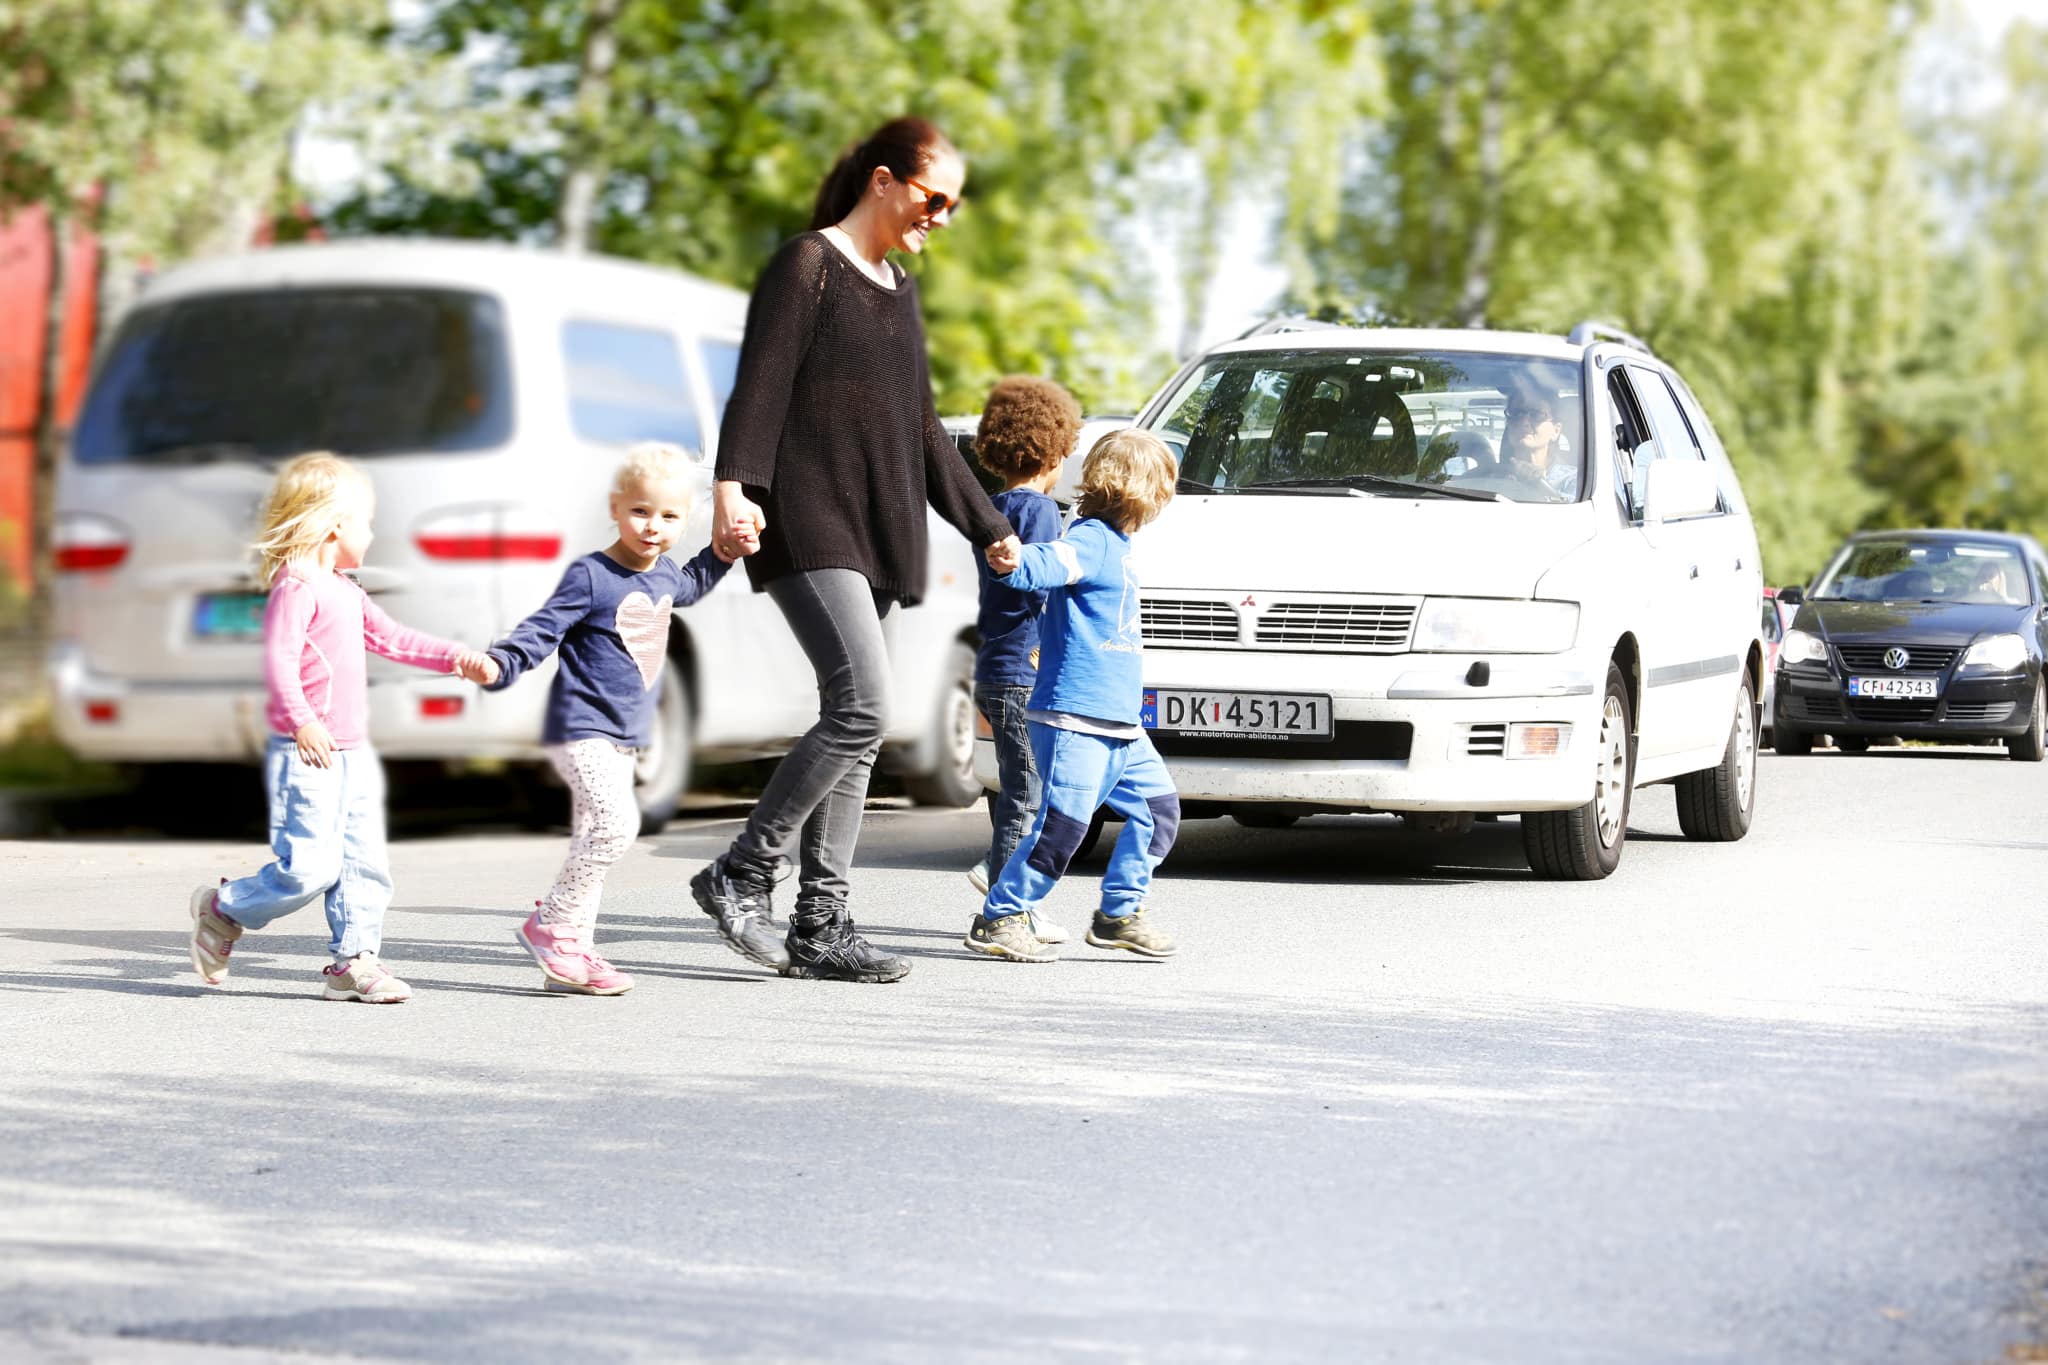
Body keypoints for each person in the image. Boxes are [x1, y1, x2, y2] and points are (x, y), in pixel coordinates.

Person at [691, 115, 1022, 983]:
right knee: (864, 706)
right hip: (808, 516)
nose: (942, 216)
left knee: (857, 729)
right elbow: (758, 385)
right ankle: (742, 872)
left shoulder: (897, 288)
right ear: (884, 180)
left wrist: (990, 526)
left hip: (874, 527)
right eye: (933, 197)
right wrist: (733, 484)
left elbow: (921, 435)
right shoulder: (810, 265)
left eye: (953, 204)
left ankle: (822, 922)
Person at [186, 453, 495, 1002]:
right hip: (306, 752)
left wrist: (456, 658)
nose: (373, 532)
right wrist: (303, 721)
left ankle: (354, 964)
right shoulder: (298, 586)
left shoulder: (346, 589)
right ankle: (223, 907)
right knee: (309, 869)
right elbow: (279, 663)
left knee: (364, 864)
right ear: (335, 523)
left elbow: (395, 640)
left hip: (354, 752)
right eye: (367, 521)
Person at [476, 443, 738, 995]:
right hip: (581, 727)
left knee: (591, 836)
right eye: (640, 511)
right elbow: (543, 629)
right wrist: (502, 661)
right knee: (618, 827)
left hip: (626, 735)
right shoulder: (591, 575)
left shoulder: (665, 575)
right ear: (616, 509)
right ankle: (550, 926)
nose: (652, 527)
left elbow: (690, 583)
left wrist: (725, 554)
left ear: (683, 521)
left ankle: (571, 958)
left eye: (668, 517)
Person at [964, 430, 1182, 963]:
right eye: (1163, 490)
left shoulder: (1121, 547)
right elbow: (1052, 562)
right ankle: (1001, 917)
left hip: (1120, 723)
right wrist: (1015, 562)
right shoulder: (1094, 539)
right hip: (1074, 716)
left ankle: (1118, 914)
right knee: (1061, 827)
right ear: (1145, 491)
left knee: (1158, 812)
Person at [963, 376, 1082, 946]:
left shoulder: (993, 505)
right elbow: (1031, 581)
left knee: (1022, 789)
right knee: (1027, 795)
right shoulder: (1036, 511)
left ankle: (1018, 903)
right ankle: (1001, 912)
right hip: (1021, 668)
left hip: (995, 663)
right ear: (1056, 452)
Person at [1501, 388, 1577, 498]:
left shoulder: (1573, 481)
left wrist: (1539, 484)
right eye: (1516, 413)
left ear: (1556, 430)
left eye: (1537, 415)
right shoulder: (1490, 476)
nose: (1524, 422)